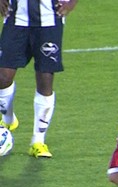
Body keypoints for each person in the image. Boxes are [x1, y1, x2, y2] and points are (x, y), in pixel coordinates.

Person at [0, 0, 78, 158]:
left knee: (45, 79)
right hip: (16, 17)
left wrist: (72, 2)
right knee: (3, 76)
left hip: (50, 20)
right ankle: (8, 119)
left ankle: (38, 141)